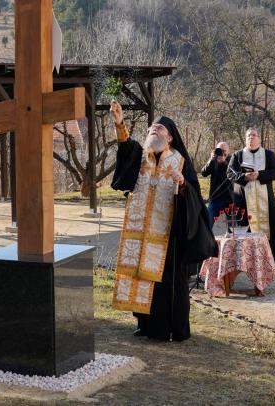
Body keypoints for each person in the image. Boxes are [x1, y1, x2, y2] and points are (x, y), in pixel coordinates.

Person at [109, 100, 218, 341]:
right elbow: (125, 146)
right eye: (150, 129)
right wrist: (119, 122)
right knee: (141, 279)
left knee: (167, 283)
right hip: (139, 232)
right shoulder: (141, 157)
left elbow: (195, 196)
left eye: (159, 129)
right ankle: (144, 323)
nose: (153, 131)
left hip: (167, 234)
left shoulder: (179, 161)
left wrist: (182, 185)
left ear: (170, 138)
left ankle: (169, 328)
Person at [227, 127, 275, 266]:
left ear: (259, 138)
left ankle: (269, 257)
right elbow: (230, 174)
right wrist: (244, 176)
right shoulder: (237, 155)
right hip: (243, 200)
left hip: (265, 199)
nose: (251, 138)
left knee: (271, 226)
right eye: (248, 136)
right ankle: (244, 260)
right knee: (242, 227)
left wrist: (259, 175)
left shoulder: (268, 154)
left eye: (254, 135)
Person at [201, 142, 233, 228]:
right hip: (215, 198)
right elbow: (204, 173)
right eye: (219, 150)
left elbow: (232, 174)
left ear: (228, 151)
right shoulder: (213, 160)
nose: (221, 153)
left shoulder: (232, 160)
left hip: (229, 199)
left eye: (224, 151)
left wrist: (224, 162)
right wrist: (210, 160)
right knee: (209, 225)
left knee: (231, 228)